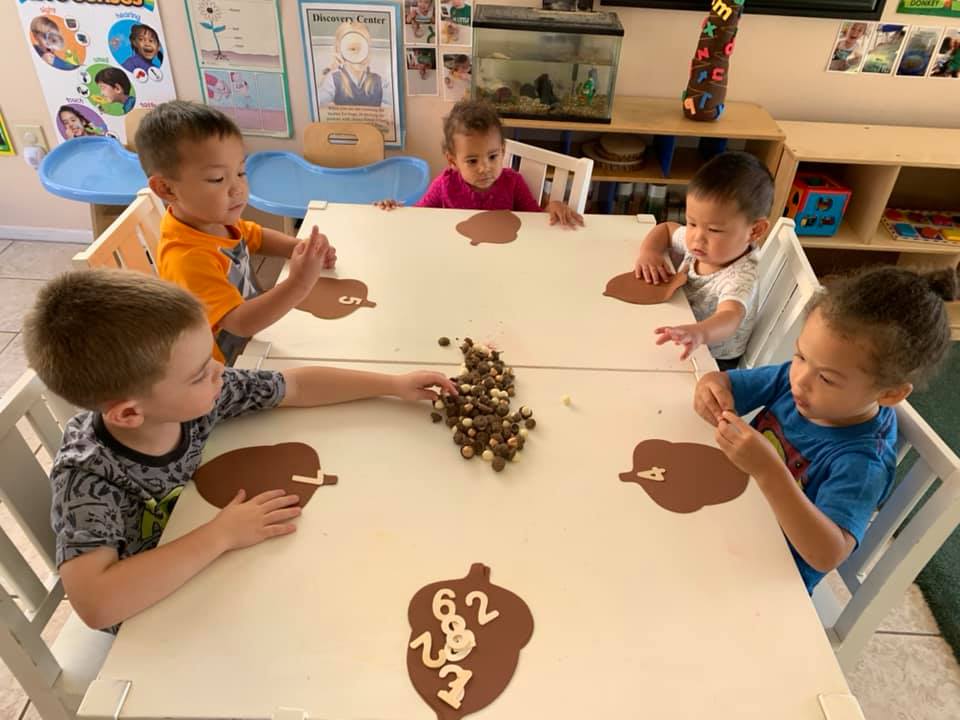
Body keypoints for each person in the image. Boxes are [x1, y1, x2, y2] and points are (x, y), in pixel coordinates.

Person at [23, 269, 456, 632]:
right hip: (156, 625)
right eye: (198, 374)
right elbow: (96, 605)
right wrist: (221, 534)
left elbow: (297, 385)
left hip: (218, 570)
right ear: (131, 414)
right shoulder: (88, 477)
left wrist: (392, 386)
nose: (219, 372)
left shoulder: (196, 398)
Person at [693, 267, 952, 592]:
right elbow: (723, 383)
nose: (799, 379)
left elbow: (825, 555)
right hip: (731, 515)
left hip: (769, 581)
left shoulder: (863, 462)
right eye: (800, 355)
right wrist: (711, 388)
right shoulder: (799, 380)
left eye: (827, 378)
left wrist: (768, 471)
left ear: (889, 394)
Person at [135, 101, 338, 365]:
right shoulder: (187, 258)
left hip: (257, 338)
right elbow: (240, 323)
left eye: (241, 172)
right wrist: (299, 283)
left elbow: (256, 236)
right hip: (226, 370)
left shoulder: (210, 220)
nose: (238, 188)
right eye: (218, 179)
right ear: (167, 189)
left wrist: (300, 248)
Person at [634, 151, 773, 369]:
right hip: (681, 323)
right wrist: (650, 252)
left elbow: (730, 317)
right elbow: (666, 228)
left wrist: (699, 333)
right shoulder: (701, 245)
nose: (697, 238)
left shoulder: (741, 276)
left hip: (712, 357)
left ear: (755, 230)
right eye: (691, 223)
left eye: (714, 230)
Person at [376, 99, 583, 228]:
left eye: (493, 157)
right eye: (472, 161)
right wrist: (394, 208)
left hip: (502, 258)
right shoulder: (444, 185)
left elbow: (534, 219)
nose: (485, 168)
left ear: (502, 151)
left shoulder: (513, 182)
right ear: (452, 161)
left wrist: (551, 206)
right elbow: (418, 216)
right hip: (457, 259)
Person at [316, 21, 392, 107]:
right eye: (353, 49)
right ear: (340, 51)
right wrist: (330, 69)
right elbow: (316, 104)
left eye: (365, 48)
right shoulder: (333, 80)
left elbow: (393, 109)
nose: (361, 55)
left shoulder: (380, 82)